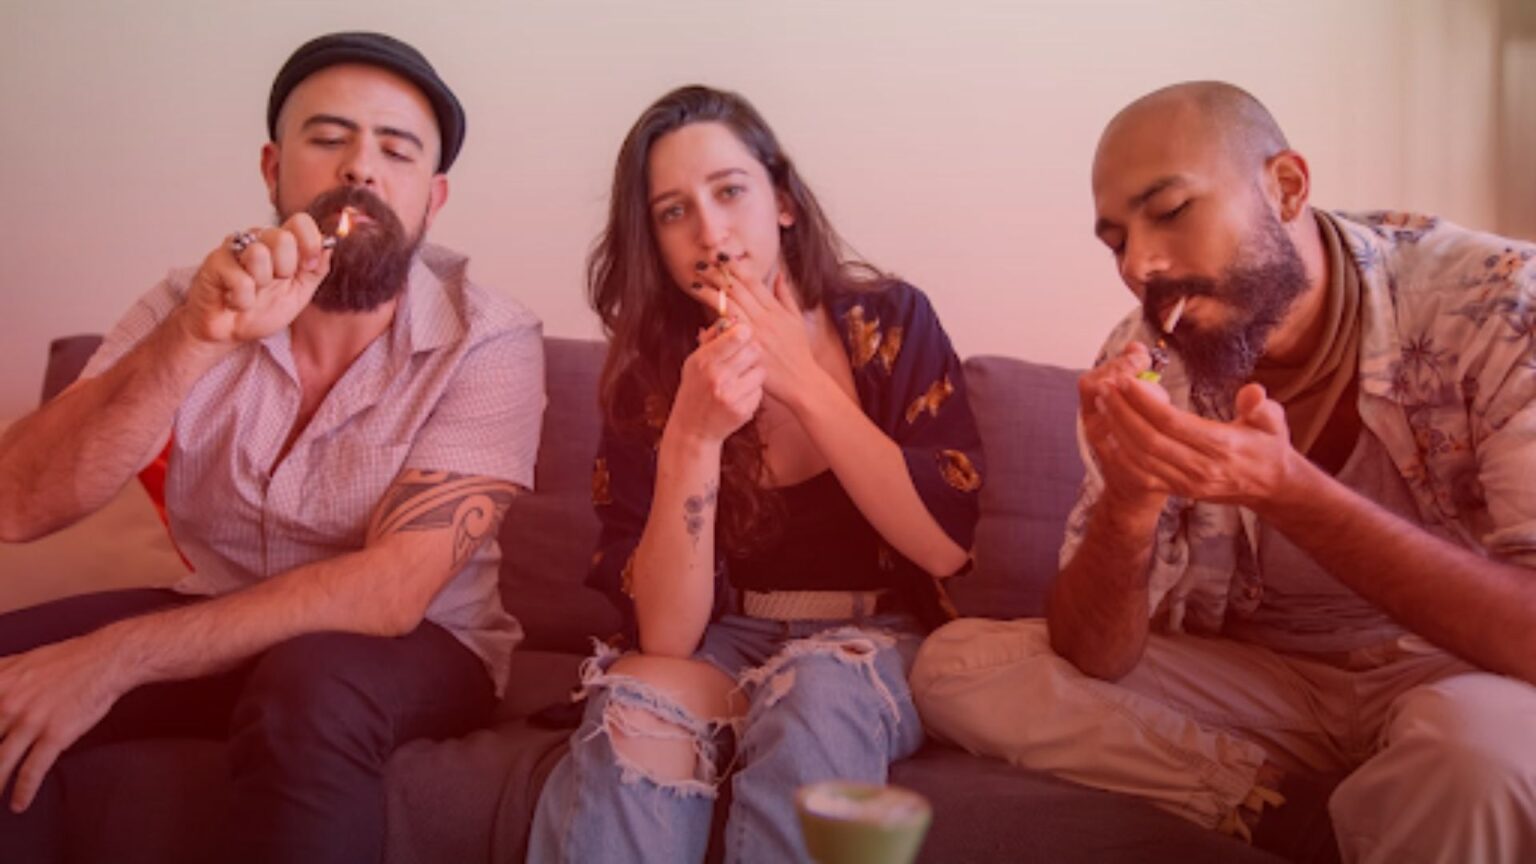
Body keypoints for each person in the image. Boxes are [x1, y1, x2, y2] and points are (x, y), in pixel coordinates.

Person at [910, 80, 1536, 864]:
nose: (1141, 265)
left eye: (1170, 212)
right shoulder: (1141, 361)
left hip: (1452, 676)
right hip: (1264, 688)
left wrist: (1292, 493)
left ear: (1285, 187)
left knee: (1477, 759)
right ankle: (1285, 813)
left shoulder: (1496, 303)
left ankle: (1396, 794)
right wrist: (1129, 506)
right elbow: (1094, 657)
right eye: (1115, 241)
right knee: (957, 665)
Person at [0, 31, 545, 863]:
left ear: (432, 199)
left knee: (308, 688)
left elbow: (391, 592)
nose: (361, 167)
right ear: (272, 169)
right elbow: (20, 504)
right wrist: (193, 339)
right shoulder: (190, 300)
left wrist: (114, 658)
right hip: (217, 609)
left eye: (395, 149)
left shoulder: (491, 338)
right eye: (328, 138)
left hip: (416, 647)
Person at [527, 85, 983, 863]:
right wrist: (691, 439)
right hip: (724, 640)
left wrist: (799, 378)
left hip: (873, 639)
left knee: (814, 696)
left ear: (783, 202)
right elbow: (667, 637)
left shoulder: (895, 322)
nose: (710, 232)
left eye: (730, 191)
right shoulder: (648, 375)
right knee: (636, 708)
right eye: (674, 212)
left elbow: (943, 548)